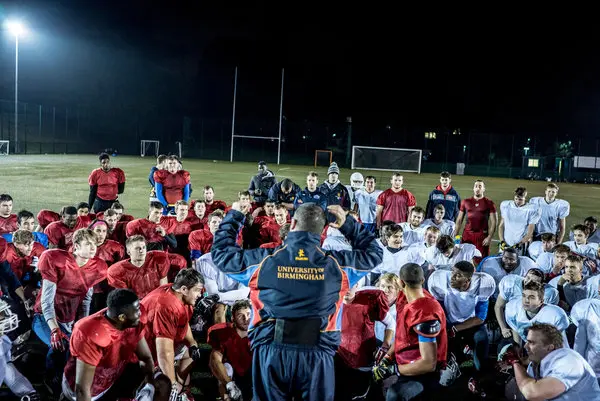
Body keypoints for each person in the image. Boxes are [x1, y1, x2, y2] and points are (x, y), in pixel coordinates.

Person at [212, 202, 383, 401]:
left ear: (292, 223)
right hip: (317, 354)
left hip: (271, 351)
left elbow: (221, 254)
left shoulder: (264, 261)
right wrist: (349, 225)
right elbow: (374, 254)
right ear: (323, 229)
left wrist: (234, 216)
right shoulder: (337, 265)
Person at [61, 289, 157, 401]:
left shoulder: (132, 322)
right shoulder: (92, 334)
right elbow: (82, 389)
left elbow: (145, 358)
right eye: (136, 310)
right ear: (122, 317)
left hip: (107, 383)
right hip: (79, 392)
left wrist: (150, 385)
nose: (140, 312)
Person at [373, 263, 448, 400]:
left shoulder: (425, 312)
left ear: (400, 282)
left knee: (395, 395)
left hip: (422, 373)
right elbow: (403, 337)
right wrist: (388, 358)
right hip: (407, 365)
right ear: (423, 280)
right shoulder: (404, 298)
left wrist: (393, 370)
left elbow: (428, 364)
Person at [141, 269, 205, 401]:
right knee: (159, 390)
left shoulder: (175, 291)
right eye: (197, 290)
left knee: (190, 353)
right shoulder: (166, 306)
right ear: (184, 289)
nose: (200, 295)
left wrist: (192, 343)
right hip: (144, 348)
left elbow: (183, 321)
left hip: (156, 341)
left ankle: (182, 390)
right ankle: (173, 389)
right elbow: (165, 351)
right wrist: (172, 385)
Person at [502, 322, 600, 399]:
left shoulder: (569, 360)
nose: (525, 346)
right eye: (527, 341)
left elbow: (532, 393)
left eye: (531, 342)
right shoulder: (535, 364)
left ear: (550, 347)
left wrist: (515, 361)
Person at [208, 299, 253, 401]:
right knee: (224, 365)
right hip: (231, 372)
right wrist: (229, 383)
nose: (246, 318)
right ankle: (226, 395)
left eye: (248, 314)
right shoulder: (223, 332)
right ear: (233, 318)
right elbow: (214, 359)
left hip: (252, 370)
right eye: (240, 315)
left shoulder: (258, 332)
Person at [453, 180, 497, 261]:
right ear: (473, 188)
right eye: (476, 186)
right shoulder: (465, 202)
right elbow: (459, 220)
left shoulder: (489, 203)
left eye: (480, 186)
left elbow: (494, 222)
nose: (477, 188)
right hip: (467, 236)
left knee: (481, 261)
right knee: (464, 259)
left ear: (484, 189)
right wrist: (455, 234)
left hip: (482, 237)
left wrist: (489, 237)